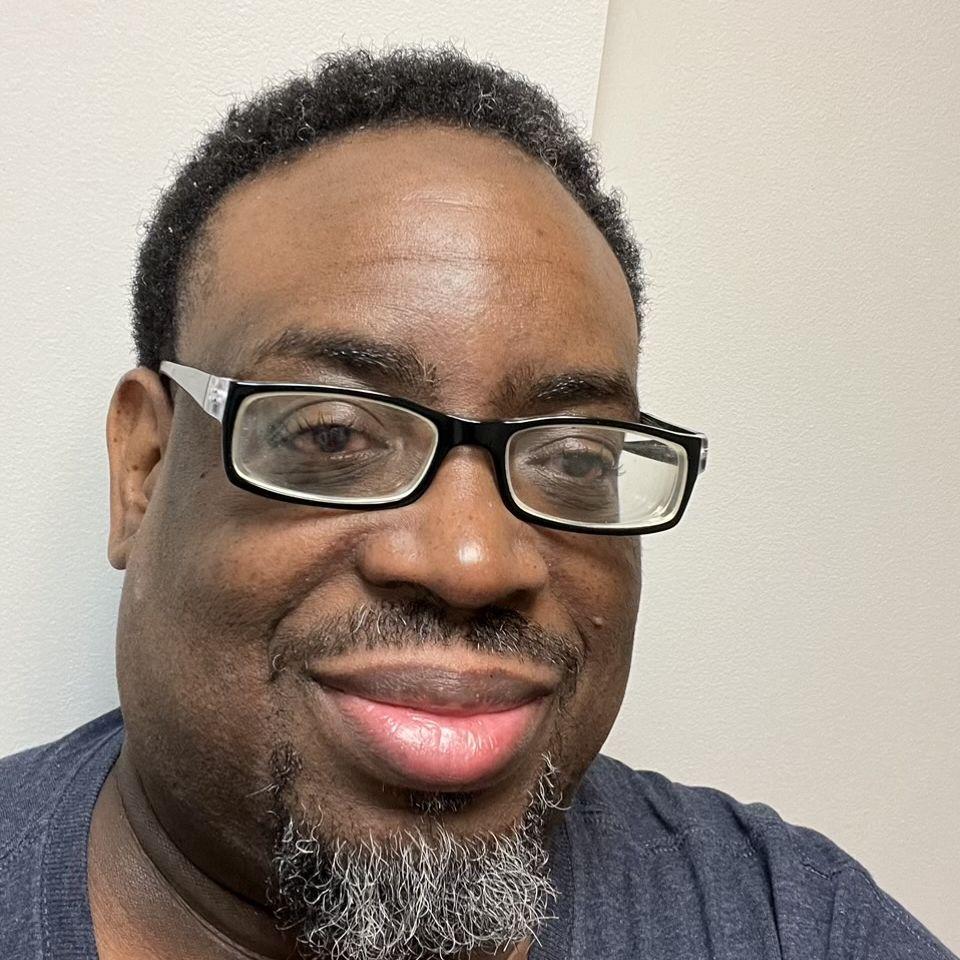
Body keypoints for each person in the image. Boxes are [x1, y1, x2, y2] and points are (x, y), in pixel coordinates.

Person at [0, 46, 954, 960]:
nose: (473, 562)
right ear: (144, 469)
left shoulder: (793, 925)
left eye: (574, 456)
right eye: (333, 435)